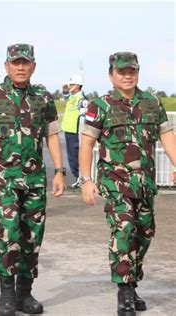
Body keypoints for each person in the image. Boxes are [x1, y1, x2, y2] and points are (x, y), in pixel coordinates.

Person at [0, 43, 65, 316]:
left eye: (25, 63)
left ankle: (25, 293)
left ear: (33, 66)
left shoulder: (43, 98)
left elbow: (51, 136)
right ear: (6, 66)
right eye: (15, 63)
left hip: (35, 181)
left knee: (32, 239)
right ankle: (7, 296)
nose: (20, 67)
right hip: (4, 181)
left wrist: (59, 171)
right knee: (9, 236)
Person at [79, 52, 176, 316]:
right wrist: (87, 180)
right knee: (123, 230)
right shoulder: (100, 105)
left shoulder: (151, 102)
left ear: (138, 73)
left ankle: (132, 282)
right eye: (121, 71)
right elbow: (87, 143)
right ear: (111, 74)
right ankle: (124, 292)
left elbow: (166, 135)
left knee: (144, 234)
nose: (127, 75)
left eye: (131, 71)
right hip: (115, 183)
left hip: (144, 183)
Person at [60, 74, 89, 188]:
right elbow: (66, 98)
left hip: (75, 132)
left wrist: (81, 133)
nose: (69, 86)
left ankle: (79, 177)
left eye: (72, 84)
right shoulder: (73, 97)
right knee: (71, 156)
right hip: (68, 130)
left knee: (75, 156)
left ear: (77, 86)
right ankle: (77, 176)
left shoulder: (82, 100)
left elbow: (83, 117)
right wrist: (65, 90)